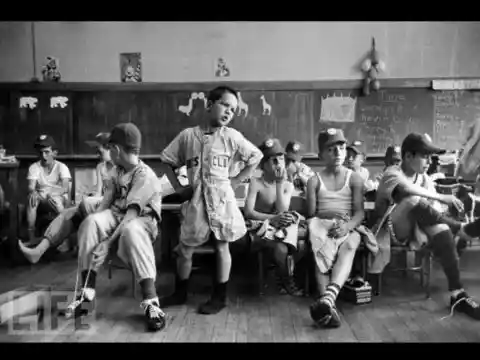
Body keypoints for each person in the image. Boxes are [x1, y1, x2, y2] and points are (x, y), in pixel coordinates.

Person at [159, 86, 263, 315]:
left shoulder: (232, 137)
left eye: (233, 110)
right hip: (197, 201)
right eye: (225, 105)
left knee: (222, 245)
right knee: (185, 248)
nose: (229, 112)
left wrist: (236, 180)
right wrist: (178, 187)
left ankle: (220, 296)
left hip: (222, 201)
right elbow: (166, 159)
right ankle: (180, 292)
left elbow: (256, 157)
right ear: (209, 105)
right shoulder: (188, 136)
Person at [64, 123, 167, 332]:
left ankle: (151, 302)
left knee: (131, 229)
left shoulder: (145, 176)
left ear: (117, 150)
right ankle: (87, 292)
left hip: (142, 223)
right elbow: (106, 203)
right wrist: (94, 228)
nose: (108, 151)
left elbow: (131, 216)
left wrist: (107, 243)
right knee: (91, 222)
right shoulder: (117, 171)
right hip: (117, 216)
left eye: (110, 147)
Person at [372, 132, 480, 320]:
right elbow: (404, 191)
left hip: (416, 231)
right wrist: (441, 196)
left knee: (441, 229)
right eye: (425, 156)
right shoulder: (392, 173)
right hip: (387, 233)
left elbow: (433, 210)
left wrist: (439, 211)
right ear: (407, 156)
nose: (429, 162)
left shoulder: (424, 179)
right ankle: (461, 229)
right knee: (413, 199)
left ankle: (457, 294)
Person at [306, 128, 376, 328]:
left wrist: (347, 227)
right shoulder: (313, 180)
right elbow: (311, 213)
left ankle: (327, 300)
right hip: (321, 223)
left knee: (352, 242)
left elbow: (359, 213)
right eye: (330, 149)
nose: (337, 152)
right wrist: (325, 218)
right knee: (320, 248)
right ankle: (328, 303)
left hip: (346, 223)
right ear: (321, 155)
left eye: (341, 147)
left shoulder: (354, 178)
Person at [18, 133, 116, 264]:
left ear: (110, 148)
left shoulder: (121, 168)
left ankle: (74, 244)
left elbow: (117, 197)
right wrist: (89, 197)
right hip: (100, 203)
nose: (97, 154)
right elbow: (98, 192)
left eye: (99, 150)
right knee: (67, 213)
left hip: (112, 206)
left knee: (80, 206)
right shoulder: (101, 166)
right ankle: (38, 251)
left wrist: (90, 201)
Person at [243, 138, 303, 296]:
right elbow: (248, 212)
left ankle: (281, 276)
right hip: (260, 229)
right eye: (273, 160)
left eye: (281, 159)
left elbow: (282, 210)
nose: (278, 163)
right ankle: (286, 280)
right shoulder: (256, 183)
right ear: (263, 165)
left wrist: (278, 184)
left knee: (297, 243)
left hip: (280, 229)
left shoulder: (287, 185)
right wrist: (271, 219)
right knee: (281, 249)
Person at [24, 135, 72, 245]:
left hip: (59, 197)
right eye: (40, 153)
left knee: (55, 199)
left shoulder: (61, 167)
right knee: (32, 199)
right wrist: (33, 192)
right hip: (42, 197)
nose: (44, 156)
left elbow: (66, 188)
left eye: (47, 152)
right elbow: (31, 186)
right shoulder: (34, 167)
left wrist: (54, 193)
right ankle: (31, 237)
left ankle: (65, 239)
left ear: (54, 153)